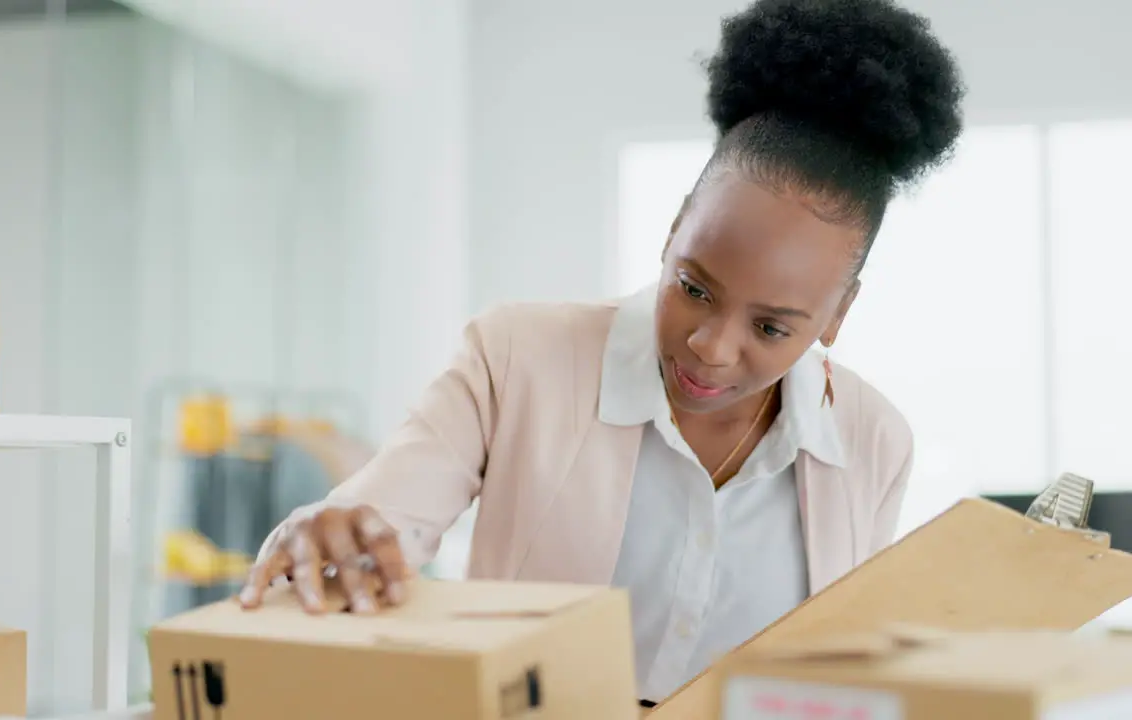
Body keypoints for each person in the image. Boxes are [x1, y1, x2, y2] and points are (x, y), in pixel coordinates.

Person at [243, 0, 964, 704]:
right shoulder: (517, 356)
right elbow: (374, 529)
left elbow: (843, 675)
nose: (710, 349)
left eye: (772, 328)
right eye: (693, 287)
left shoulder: (873, 441)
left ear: (838, 314)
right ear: (675, 227)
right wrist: (330, 536)